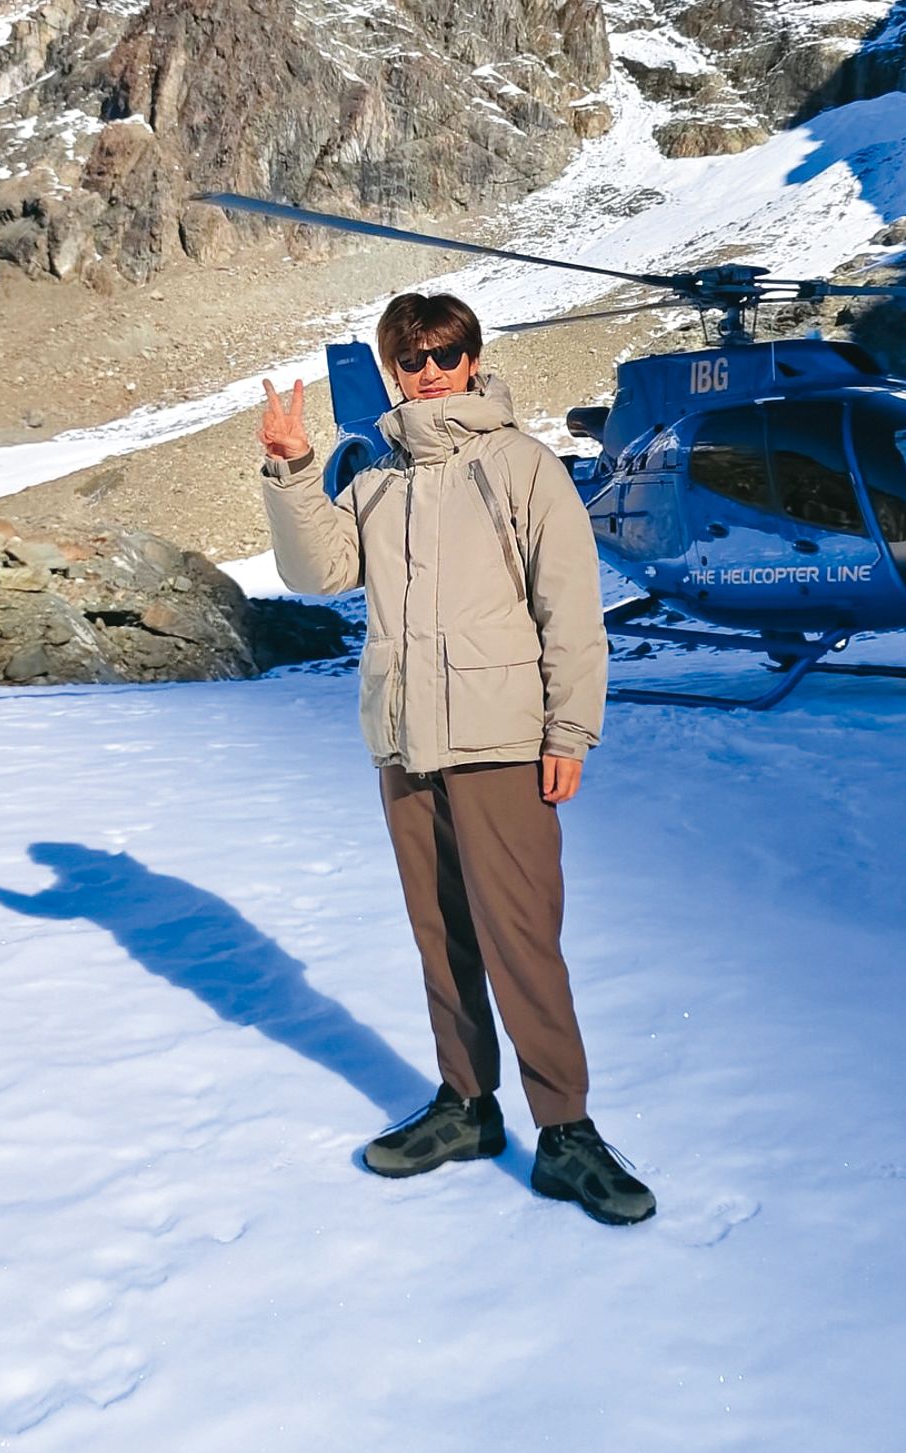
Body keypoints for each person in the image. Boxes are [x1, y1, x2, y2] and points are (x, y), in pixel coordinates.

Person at [257, 291, 655, 1226]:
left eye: (444, 354)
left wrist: (569, 732)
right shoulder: (380, 478)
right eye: (411, 358)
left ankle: (564, 1132)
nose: (428, 372)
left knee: (521, 939)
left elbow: (571, 609)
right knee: (441, 936)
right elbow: (316, 573)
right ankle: (467, 1106)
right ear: (393, 369)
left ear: (473, 360)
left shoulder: (519, 466)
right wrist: (289, 473)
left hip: (500, 741)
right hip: (404, 740)